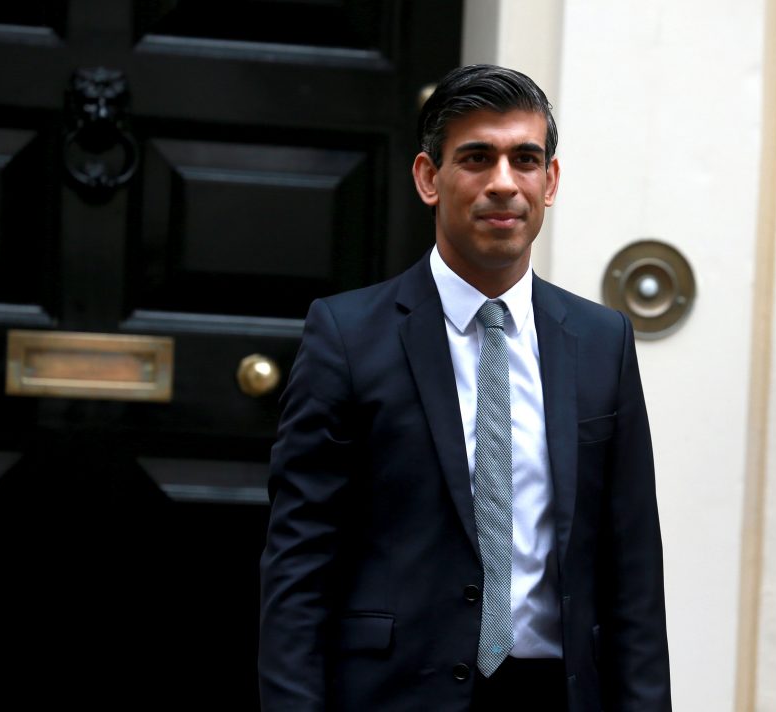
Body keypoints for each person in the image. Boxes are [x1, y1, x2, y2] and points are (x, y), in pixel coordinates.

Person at [259, 64, 671, 712]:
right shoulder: (346, 336)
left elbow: (634, 574)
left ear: (550, 181)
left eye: (524, 159)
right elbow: (299, 566)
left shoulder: (602, 343)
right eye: (477, 158)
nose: (503, 183)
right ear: (430, 177)